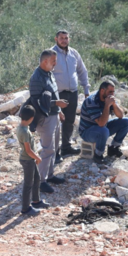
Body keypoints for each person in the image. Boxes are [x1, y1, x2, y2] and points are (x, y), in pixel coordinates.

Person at [29, 49, 69, 193]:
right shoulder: (36, 78)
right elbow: (36, 101)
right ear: (45, 61)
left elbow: (53, 93)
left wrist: (59, 111)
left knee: (53, 147)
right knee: (47, 149)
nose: (55, 64)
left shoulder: (49, 73)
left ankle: (49, 175)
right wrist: (56, 104)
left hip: (54, 115)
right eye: (53, 61)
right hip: (44, 118)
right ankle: (40, 181)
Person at [52, 30, 91, 163]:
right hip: (57, 94)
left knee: (69, 121)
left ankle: (66, 147)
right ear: (56, 39)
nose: (64, 40)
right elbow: (46, 73)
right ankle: (54, 153)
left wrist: (86, 89)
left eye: (66, 38)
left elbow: (82, 71)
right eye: (61, 38)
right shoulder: (51, 54)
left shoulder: (74, 53)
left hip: (72, 93)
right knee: (55, 122)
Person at [79, 80, 128, 164]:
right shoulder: (91, 101)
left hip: (101, 128)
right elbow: (101, 123)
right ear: (102, 91)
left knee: (127, 122)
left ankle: (113, 148)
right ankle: (98, 155)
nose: (112, 94)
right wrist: (107, 105)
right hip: (87, 131)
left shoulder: (108, 98)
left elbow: (121, 115)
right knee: (104, 130)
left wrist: (114, 104)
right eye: (110, 91)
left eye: (113, 92)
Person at [17, 105, 52, 216]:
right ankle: (25, 208)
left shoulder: (22, 127)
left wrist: (35, 155)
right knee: (28, 184)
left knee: (36, 179)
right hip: (28, 160)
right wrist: (37, 157)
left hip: (30, 159)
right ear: (32, 118)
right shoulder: (24, 131)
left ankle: (36, 201)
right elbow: (28, 150)